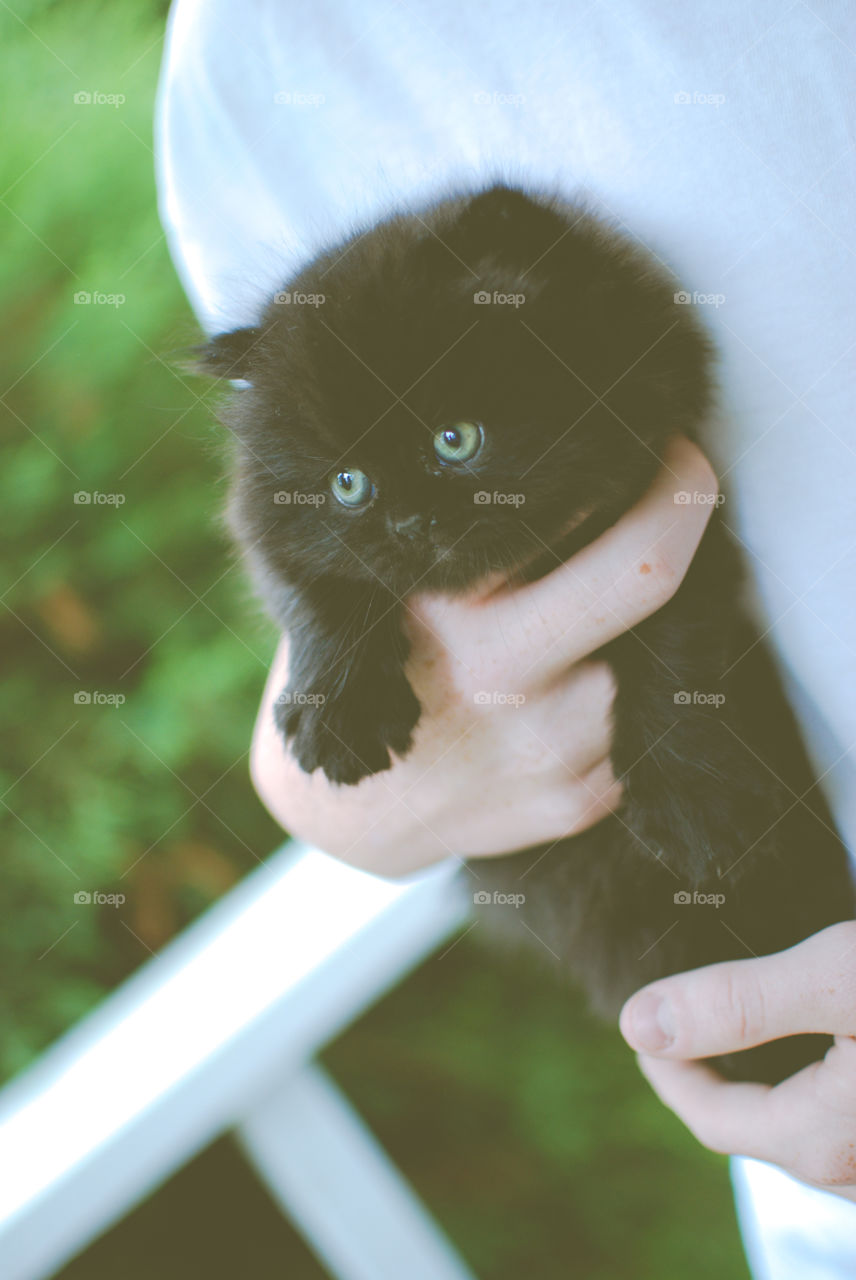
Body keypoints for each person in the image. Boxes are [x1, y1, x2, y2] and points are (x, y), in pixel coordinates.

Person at [155, 2, 856, 1274]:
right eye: (364, 493)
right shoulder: (256, 63)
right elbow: (300, 493)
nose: (410, 521)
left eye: (451, 455)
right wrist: (332, 749)